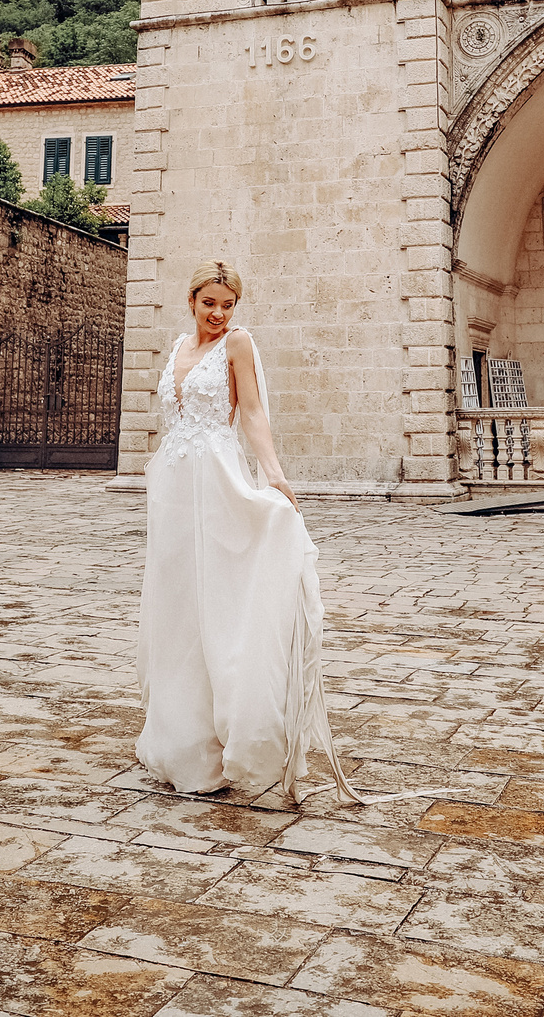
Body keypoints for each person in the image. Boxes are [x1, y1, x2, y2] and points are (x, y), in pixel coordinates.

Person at [139, 261, 363, 806]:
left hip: (218, 477)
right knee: (177, 605)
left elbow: (254, 413)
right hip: (172, 484)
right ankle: (180, 740)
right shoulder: (175, 349)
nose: (218, 314)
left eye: (228, 304)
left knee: (219, 597)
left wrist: (276, 475)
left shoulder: (238, 344)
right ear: (191, 300)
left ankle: (235, 734)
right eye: (209, 303)